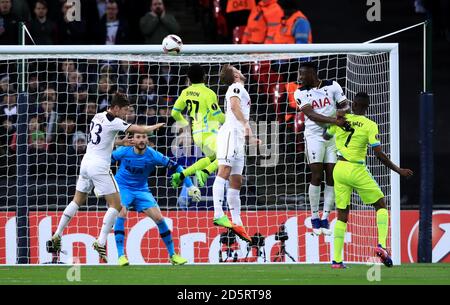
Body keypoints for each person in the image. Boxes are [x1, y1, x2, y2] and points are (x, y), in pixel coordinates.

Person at [47, 92, 165, 263]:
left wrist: (120, 143)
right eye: (125, 110)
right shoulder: (115, 121)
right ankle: (101, 241)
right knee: (116, 205)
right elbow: (139, 129)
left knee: (76, 201)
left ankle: (57, 235)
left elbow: (102, 140)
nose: (126, 113)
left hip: (86, 163)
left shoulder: (98, 116)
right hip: (99, 166)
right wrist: (153, 127)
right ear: (116, 108)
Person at [323, 92, 413, 268]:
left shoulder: (342, 119)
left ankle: (336, 260)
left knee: (342, 214)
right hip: (356, 168)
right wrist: (398, 170)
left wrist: (335, 120)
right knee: (380, 204)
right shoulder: (370, 125)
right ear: (367, 107)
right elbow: (379, 154)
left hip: (339, 168)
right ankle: (381, 245)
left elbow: (325, 136)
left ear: (353, 104)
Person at [111, 132, 201, 266]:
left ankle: (173, 255)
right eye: (138, 137)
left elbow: (177, 167)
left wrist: (190, 186)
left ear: (147, 139)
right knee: (122, 212)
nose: (141, 140)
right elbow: (105, 162)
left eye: (143, 137)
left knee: (159, 218)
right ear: (133, 139)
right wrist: (102, 183)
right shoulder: (123, 151)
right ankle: (121, 256)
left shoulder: (153, 154)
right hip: (122, 188)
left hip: (142, 190)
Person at [294, 61, 349, 236]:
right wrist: (335, 120)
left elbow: (345, 106)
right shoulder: (300, 92)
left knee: (332, 176)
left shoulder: (332, 86)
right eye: (299, 74)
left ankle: (325, 216)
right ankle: (314, 216)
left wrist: (342, 114)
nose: (300, 77)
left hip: (332, 137)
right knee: (316, 175)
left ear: (312, 73)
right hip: (314, 137)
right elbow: (310, 114)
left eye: (303, 74)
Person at [212, 64, 261, 243]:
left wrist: (251, 137)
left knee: (236, 181)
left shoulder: (240, 89)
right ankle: (218, 213)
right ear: (234, 75)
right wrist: (246, 125)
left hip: (238, 138)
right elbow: (233, 106)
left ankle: (237, 222)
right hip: (230, 134)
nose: (240, 70)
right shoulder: (236, 86)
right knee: (223, 172)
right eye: (236, 69)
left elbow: (238, 112)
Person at [171, 64, 225, 189]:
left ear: (188, 79)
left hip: (196, 133)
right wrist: (233, 120)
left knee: (211, 157)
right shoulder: (208, 93)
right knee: (226, 156)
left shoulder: (185, 92)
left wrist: (185, 124)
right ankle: (205, 172)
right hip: (210, 133)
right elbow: (218, 115)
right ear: (205, 77)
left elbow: (174, 112)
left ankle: (182, 174)